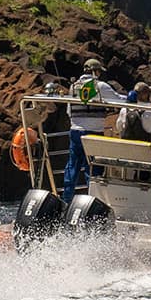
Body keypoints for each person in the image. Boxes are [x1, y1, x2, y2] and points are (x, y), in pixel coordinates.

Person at [63, 58, 123, 201]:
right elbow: (119, 100)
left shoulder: (74, 87)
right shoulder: (100, 86)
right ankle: (93, 200)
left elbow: (68, 111)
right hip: (94, 134)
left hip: (75, 132)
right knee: (94, 169)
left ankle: (66, 199)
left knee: (72, 166)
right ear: (95, 71)